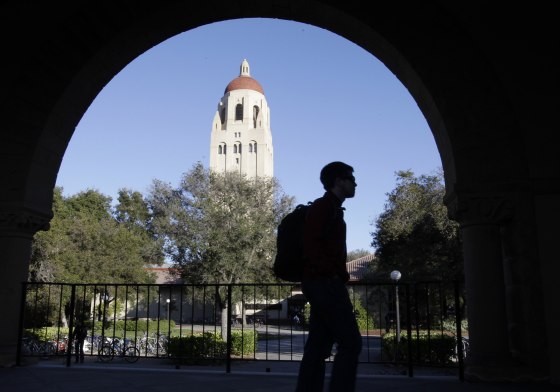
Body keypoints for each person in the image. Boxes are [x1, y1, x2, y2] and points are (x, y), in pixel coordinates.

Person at [296, 161, 362, 392]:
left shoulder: (331, 208)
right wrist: (332, 275)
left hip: (320, 283)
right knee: (351, 342)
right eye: (351, 179)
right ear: (339, 181)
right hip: (325, 284)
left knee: (318, 345)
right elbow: (311, 246)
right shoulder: (324, 207)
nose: (355, 183)